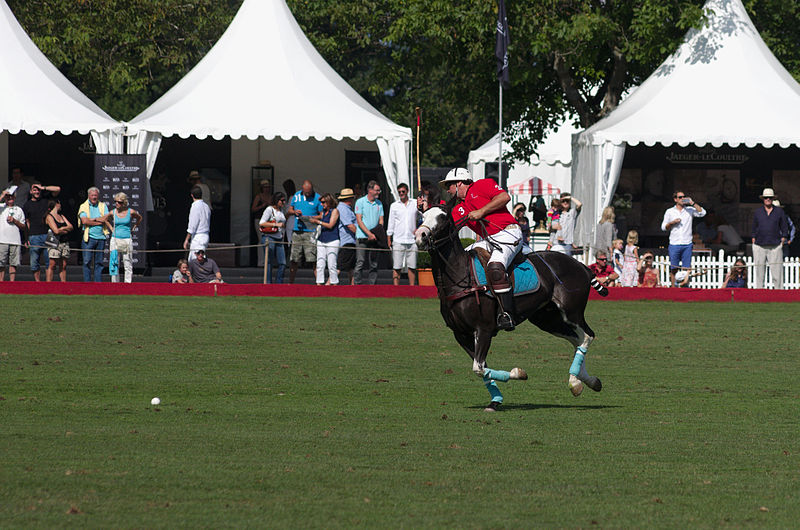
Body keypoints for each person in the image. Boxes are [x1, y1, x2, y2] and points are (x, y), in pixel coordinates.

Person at [441, 168, 524, 331]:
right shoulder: (460, 208)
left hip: (508, 232)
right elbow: (445, 223)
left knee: (495, 266)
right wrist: (423, 210)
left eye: (449, 186)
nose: (448, 190)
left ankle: (507, 314)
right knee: (465, 259)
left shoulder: (482, 185)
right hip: (488, 240)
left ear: (459, 183)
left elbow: (504, 197)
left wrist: (481, 211)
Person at [660, 190, 705, 287]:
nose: (682, 199)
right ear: (675, 199)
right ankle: (673, 287)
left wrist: (692, 203)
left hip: (687, 243)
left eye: (684, 196)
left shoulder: (689, 209)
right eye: (680, 197)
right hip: (674, 243)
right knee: (674, 268)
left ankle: (685, 287)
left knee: (686, 268)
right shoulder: (670, 211)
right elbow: (663, 227)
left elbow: (702, 213)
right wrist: (672, 223)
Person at [23, 182, 60, 281]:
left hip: (48, 234)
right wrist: (27, 238)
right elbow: (27, 223)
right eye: (34, 189)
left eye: (38, 189)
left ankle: (48, 283)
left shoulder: (46, 200)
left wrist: (43, 187)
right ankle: (37, 283)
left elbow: (57, 189)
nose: (37, 191)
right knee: (34, 262)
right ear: (31, 191)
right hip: (34, 236)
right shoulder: (27, 205)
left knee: (50, 261)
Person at [751, 188, 787, 289]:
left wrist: (783, 238)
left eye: (770, 198)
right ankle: (759, 293)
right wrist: (753, 238)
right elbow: (754, 226)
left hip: (775, 245)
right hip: (759, 245)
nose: (768, 199)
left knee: (777, 272)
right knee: (759, 272)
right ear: (763, 199)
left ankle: (779, 293)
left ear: (772, 199)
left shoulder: (779, 211)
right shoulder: (758, 212)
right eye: (766, 197)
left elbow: (784, 226)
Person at [287, 179, 322, 283]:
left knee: (313, 258)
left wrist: (312, 218)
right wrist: (294, 212)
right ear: (302, 189)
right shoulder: (296, 196)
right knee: (294, 258)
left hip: (310, 231)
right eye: (305, 192)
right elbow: (289, 210)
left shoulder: (318, 198)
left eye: (309, 192)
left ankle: (319, 283)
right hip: (297, 230)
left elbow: (322, 214)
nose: (307, 194)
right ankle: (291, 282)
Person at [387, 183, 422, 285]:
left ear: (407, 191)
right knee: (397, 266)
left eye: (403, 191)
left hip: (412, 239)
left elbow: (423, 216)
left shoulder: (415, 203)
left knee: (412, 266)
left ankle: (412, 288)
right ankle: (396, 288)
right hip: (398, 239)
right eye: (399, 192)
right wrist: (389, 238)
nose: (401, 194)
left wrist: (419, 228)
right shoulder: (394, 206)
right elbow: (391, 223)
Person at [104, 192, 142, 283]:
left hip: (127, 239)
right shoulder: (113, 212)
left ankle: (127, 284)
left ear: (124, 203)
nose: (117, 203)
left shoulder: (131, 211)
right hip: (115, 239)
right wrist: (111, 229)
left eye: (119, 202)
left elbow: (139, 218)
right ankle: (114, 284)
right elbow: (105, 219)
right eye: (116, 201)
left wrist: (134, 227)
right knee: (114, 262)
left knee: (127, 262)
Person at [354, 180, 384, 285]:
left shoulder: (379, 203)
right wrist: (369, 234)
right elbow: (359, 220)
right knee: (360, 262)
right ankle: (357, 285)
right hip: (362, 236)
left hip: (375, 237)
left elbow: (381, 220)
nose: (379, 192)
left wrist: (377, 232)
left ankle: (372, 286)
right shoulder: (360, 202)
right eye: (377, 190)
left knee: (374, 263)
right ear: (370, 190)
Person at [77, 186, 110, 282]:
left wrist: (91, 220)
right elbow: (84, 221)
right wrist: (98, 220)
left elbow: (106, 219)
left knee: (99, 262)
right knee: (87, 261)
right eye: (92, 195)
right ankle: (87, 283)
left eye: (95, 195)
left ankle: (97, 284)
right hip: (89, 238)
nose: (94, 197)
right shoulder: (83, 206)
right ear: (88, 196)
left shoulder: (103, 205)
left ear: (98, 195)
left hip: (101, 238)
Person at [310, 193, 340, 285]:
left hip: (332, 239)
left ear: (328, 201)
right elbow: (316, 217)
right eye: (321, 202)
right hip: (321, 239)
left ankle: (334, 282)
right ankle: (319, 282)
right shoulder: (323, 212)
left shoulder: (334, 211)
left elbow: (331, 225)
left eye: (323, 202)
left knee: (332, 263)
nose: (322, 204)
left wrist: (318, 221)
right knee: (320, 262)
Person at [259, 192, 287, 284]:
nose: (283, 202)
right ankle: (268, 283)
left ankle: (279, 283)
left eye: (284, 200)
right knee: (269, 261)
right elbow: (262, 223)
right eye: (281, 200)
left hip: (279, 238)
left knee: (282, 263)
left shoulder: (281, 210)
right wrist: (276, 224)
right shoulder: (269, 209)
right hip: (269, 237)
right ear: (276, 200)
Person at [0, 189, 26, 281]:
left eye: (11, 196)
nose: (9, 198)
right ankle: (1, 282)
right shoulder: (1, 207)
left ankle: (12, 283)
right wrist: (2, 195)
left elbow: (23, 226)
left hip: (15, 240)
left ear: (14, 197)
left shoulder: (19, 209)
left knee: (13, 263)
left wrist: (15, 221)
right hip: (2, 240)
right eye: (8, 196)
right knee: (1, 263)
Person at [45, 199, 73, 282]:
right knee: (52, 264)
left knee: (63, 265)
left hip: (64, 243)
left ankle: (63, 283)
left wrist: (63, 228)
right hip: (54, 242)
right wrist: (65, 230)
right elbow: (56, 231)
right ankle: (49, 284)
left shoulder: (62, 216)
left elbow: (71, 227)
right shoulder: (49, 217)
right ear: (56, 204)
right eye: (59, 204)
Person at [336, 188, 358, 285]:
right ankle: (328, 286)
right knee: (340, 266)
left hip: (351, 241)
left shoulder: (346, 209)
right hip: (347, 242)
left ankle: (352, 286)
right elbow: (349, 225)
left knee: (351, 267)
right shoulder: (343, 209)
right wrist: (361, 235)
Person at [183, 186, 211, 261]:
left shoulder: (195, 206)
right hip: (205, 236)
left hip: (198, 237)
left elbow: (192, 225)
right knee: (201, 259)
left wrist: (186, 240)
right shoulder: (206, 206)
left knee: (194, 261)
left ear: (192, 195)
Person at [251, 179, 273, 267]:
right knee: (261, 239)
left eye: (268, 187)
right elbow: (253, 209)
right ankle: (260, 261)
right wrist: (262, 206)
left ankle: (267, 260)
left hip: (269, 221)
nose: (267, 189)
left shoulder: (271, 197)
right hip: (259, 219)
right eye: (265, 187)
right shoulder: (258, 197)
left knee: (268, 239)